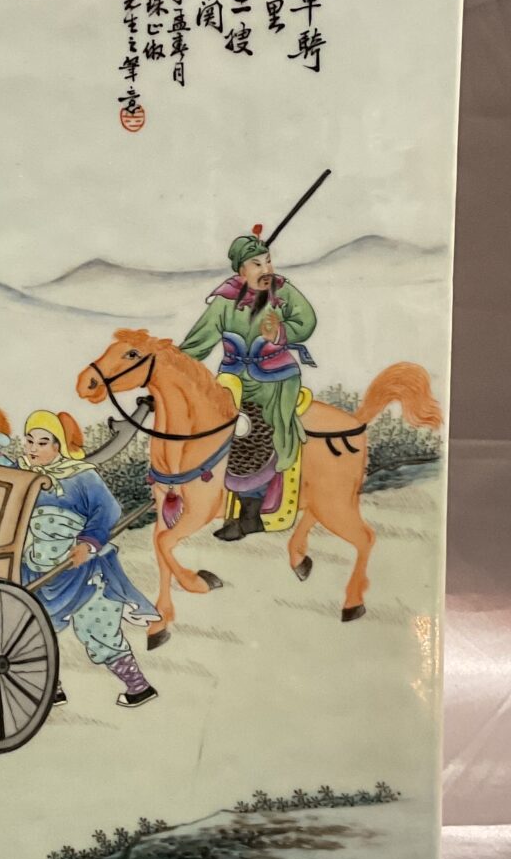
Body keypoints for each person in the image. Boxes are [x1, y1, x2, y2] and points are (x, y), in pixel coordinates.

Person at [179, 226, 317, 543]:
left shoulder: (283, 292)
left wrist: (280, 331)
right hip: (231, 381)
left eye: (268, 261)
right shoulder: (224, 302)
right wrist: (173, 369)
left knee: (253, 434)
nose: (266, 269)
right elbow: (198, 343)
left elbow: (307, 322)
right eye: (257, 264)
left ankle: (250, 516)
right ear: (241, 270)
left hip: (275, 379)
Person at [19, 410, 159, 709]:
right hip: (40, 567)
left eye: (42, 443)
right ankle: (51, 689)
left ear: (58, 445)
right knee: (34, 629)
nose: (33, 448)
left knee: (98, 629)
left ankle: (139, 687)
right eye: (29, 441)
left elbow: (107, 510)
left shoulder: (81, 476)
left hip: (84, 569)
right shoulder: (23, 475)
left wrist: (88, 544)